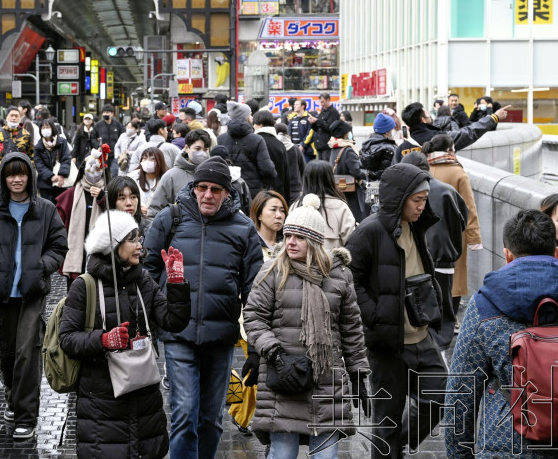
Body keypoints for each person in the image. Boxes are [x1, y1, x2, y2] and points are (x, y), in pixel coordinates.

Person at [143, 156, 265, 459]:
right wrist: (160, 311)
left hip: (220, 339)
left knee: (210, 420)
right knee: (184, 414)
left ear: (227, 193)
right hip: (178, 334)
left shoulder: (243, 229)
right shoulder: (170, 219)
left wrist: (256, 347)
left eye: (215, 189)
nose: (207, 195)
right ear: (193, 187)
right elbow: (145, 271)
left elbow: (255, 292)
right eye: (202, 187)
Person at [444, 209, 558, 459]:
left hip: (505, 445)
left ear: (507, 255)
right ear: (556, 253)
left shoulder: (484, 305)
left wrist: (460, 454)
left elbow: (461, 391)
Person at [243, 195, 369, 459]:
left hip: (326, 381)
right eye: (287, 235)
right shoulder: (272, 271)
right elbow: (254, 317)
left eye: (298, 237)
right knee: (282, 453)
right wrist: (275, 353)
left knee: (326, 456)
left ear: (314, 241)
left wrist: (358, 374)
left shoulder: (339, 276)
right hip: (284, 378)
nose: (290, 242)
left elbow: (351, 329)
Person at [59, 210, 190, 459]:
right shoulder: (84, 286)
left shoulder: (144, 280)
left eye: (139, 238)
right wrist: (103, 340)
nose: (140, 246)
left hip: (145, 406)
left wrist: (176, 283)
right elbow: (67, 339)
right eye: (133, 240)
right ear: (113, 245)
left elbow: (173, 321)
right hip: (102, 408)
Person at [346, 163, 445, 458]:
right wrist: (374, 315)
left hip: (421, 336)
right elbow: (348, 277)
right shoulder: (370, 231)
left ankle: (396, 442)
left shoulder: (417, 227)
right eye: (417, 200)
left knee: (438, 396)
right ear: (400, 198)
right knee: (386, 417)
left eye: (425, 200)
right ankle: (388, 446)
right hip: (387, 342)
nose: (422, 206)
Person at [0, 153, 68, 439]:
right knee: (6, 353)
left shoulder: (45, 208)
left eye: (22, 174)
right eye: (11, 174)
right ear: (4, 179)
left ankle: (26, 416)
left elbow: (59, 245)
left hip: (31, 292)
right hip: (0, 292)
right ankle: (12, 395)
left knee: (27, 353)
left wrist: (40, 267)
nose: (17, 179)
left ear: (30, 177)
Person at [401, 152, 468, 348]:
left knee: (415, 305)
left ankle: (421, 346)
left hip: (414, 259)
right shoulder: (447, 191)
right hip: (444, 257)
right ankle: (439, 350)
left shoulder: (404, 191)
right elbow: (462, 219)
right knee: (444, 306)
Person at [424, 133, 481, 321]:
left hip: (426, 230)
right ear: (450, 150)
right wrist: (474, 237)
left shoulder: (424, 168)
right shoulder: (457, 172)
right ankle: (451, 318)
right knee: (455, 278)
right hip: (453, 232)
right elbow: (469, 207)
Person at [393, 101, 509, 163]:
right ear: (423, 120)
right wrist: (493, 118)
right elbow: (468, 133)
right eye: (428, 114)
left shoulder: (401, 149)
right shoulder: (439, 139)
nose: (431, 116)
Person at [56, 149, 109, 280]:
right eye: (90, 167)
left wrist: (103, 198)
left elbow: (116, 214)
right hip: (76, 251)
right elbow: (58, 225)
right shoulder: (71, 194)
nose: (93, 171)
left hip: (102, 253)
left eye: (97, 168)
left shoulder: (110, 192)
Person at [146, 129, 212, 219]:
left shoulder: (213, 174)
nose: (202, 153)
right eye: (197, 149)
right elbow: (155, 211)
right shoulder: (171, 176)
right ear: (186, 148)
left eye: (205, 149)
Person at [301, 160, 356, 252]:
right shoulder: (340, 207)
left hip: (300, 264)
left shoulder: (296, 206)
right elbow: (351, 242)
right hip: (332, 263)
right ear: (330, 179)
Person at [328, 119, 367, 222]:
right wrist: (367, 173)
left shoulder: (333, 147)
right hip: (350, 190)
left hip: (338, 188)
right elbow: (356, 171)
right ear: (345, 134)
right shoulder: (348, 149)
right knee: (354, 216)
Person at [253, 110, 289, 201]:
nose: (253, 126)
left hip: (259, 196)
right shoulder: (280, 144)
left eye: (254, 124)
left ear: (260, 124)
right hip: (278, 194)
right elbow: (286, 175)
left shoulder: (254, 143)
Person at [33, 118, 71, 204]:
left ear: (53, 128)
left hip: (61, 183)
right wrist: (51, 176)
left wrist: (62, 174)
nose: (45, 129)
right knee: (48, 208)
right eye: (43, 128)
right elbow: (39, 165)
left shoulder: (62, 142)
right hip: (45, 184)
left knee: (61, 207)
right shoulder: (38, 147)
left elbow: (66, 158)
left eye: (47, 127)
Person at [359, 112, 397, 183]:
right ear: (386, 132)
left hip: (369, 187)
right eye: (391, 129)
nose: (392, 131)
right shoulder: (390, 149)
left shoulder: (366, 146)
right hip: (386, 186)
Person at [250, 190, 288, 257]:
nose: (279, 215)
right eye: (273, 209)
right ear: (259, 214)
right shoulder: (250, 243)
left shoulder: (288, 244)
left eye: (282, 211)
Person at [131, 146, 167, 214]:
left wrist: (152, 211)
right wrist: (138, 209)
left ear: (160, 161)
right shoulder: (132, 177)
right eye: (145, 158)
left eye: (152, 159)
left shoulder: (165, 180)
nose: (147, 161)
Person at [308, 92, 340, 163]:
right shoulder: (322, 111)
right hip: (319, 144)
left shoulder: (333, 112)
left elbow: (330, 127)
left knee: (325, 165)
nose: (321, 104)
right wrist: (313, 123)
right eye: (320, 102)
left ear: (328, 100)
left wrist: (317, 121)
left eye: (323, 102)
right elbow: (317, 129)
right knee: (319, 166)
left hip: (327, 144)